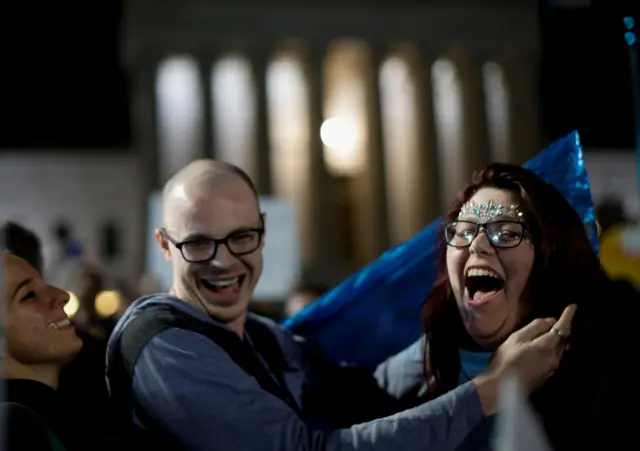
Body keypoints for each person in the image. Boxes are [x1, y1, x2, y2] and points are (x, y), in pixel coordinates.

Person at [106, 160, 575, 451]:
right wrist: (493, 389)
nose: (224, 261)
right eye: (198, 244)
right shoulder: (163, 346)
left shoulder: (263, 336)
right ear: (165, 246)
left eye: (241, 238)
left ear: (263, 231)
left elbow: (363, 392)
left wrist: (455, 321)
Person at [419, 163, 640, 449]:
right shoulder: (419, 367)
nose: (477, 245)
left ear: (550, 262)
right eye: (463, 231)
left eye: (506, 233)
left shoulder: (616, 381)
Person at [1, 222, 84, 451]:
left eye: (44, 284)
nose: (63, 296)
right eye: (29, 295)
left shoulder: (63, 410)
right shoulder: (13, 425)